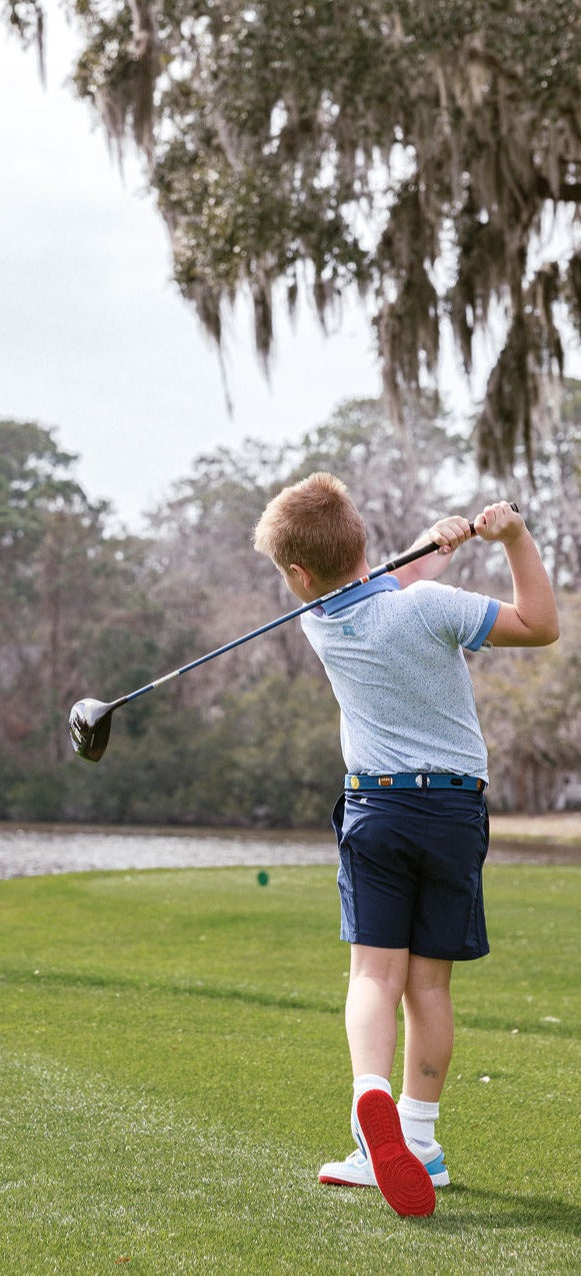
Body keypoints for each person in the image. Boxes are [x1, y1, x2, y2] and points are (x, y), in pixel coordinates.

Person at [252, 473, 559, 1217]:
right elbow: (540, 623)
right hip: (452, 813)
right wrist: (512, 537)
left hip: (376, 813)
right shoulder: (429, 609)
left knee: (373, 978)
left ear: (299, 575)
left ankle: (369, 1106)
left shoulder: (317, 620)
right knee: (429, 987)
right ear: (361, 537)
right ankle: (418, 1140)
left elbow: (385, 584)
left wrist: (435, 544)